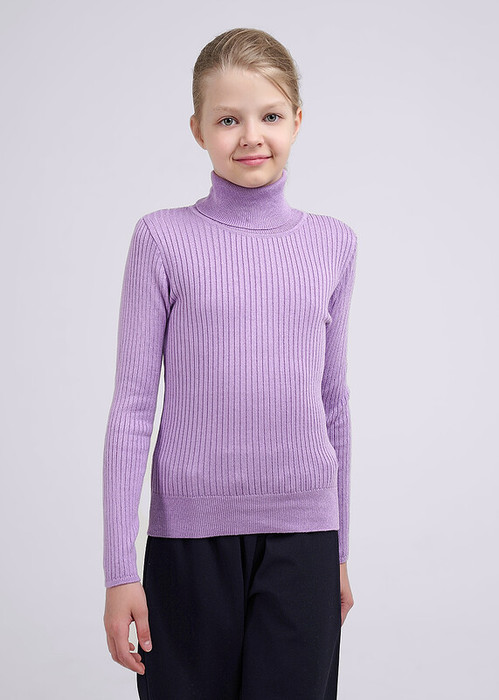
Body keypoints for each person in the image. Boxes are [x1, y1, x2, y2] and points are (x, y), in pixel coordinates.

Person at [103, 27, 357, 699]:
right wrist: (119, 571)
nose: (251, 136)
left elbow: (333, 402)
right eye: (227, 119)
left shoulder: (333, 244)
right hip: (188, 544)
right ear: (197, 129)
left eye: (269, 116)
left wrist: (338, 553)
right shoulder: (161, 239)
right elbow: (132, 408)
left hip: (304, 539)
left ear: (296, 121)